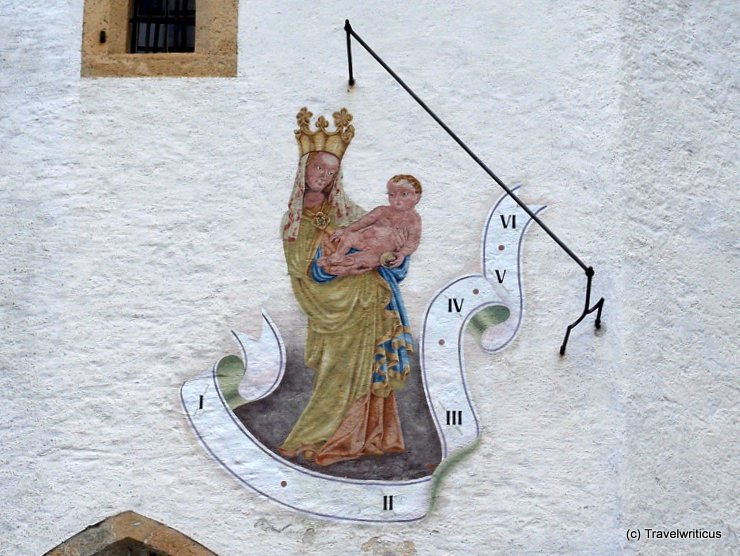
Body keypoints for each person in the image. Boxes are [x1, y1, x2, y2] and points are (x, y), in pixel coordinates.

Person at [279, 108, 416, 466]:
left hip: (370, 303)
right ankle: (318, 435)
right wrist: (329, 265)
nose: (323, 176)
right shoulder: (293, 223)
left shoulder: (350, 211)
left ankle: (367, 437)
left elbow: (397, 253)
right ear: (303, 169)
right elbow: (304, 275)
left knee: (368, 373)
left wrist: (380, 259)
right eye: (317, 168)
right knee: (335, 374)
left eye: (331, 171)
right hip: (337, 310)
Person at [318, 175, 422, 276]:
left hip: (380, 251)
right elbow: (362, 222)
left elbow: (413, 242)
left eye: (404, 194)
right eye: (392, 195)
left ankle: (345, 267)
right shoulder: (382, 210)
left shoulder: (413, 220)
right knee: (349, 236)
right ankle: (338, 255)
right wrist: (345, 231)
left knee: (362, 259)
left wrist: (402, 254)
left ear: (417, 197)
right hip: (364, 240)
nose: (397, 199)